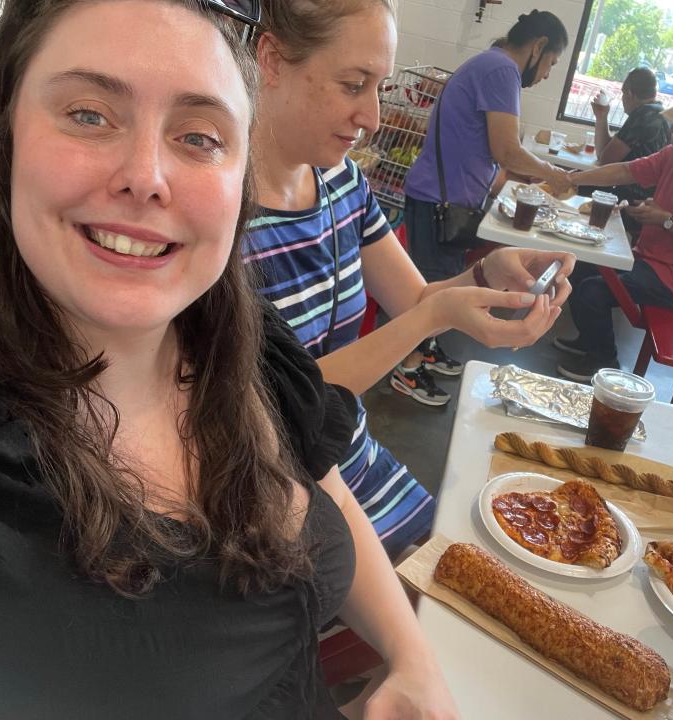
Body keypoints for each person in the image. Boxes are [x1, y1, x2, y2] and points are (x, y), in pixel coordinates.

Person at [0, 2, 457, 718]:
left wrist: (413, 659)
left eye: (199, 136)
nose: (147, 177)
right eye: (88, 115)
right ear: (4, 133)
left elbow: (328, 488)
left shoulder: (241, 336)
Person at [243, 0, 574, 566]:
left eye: (379, 86)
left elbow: (415, 299)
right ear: (272, 60)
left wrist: (485, 274)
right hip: (271, 495)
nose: (372, 116)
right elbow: (281, 409)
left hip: (352, 458)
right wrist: (433, 318)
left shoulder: (341, 181)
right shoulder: (221, 219)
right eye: (353, 84)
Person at [402, 9, 571, 395]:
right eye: (551, 64)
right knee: (433, 288)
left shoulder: (491, 64)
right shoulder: (502, 71)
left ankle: (426, 349)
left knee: (442, 285)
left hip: (443, 199)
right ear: (539, 46)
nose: (546, 74)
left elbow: (488, 151)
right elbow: (507, 150)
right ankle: (408, 367)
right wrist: (553, 174)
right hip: (437, 201)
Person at [553, 86, 673, 381]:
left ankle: (605, 364)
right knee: (576, 267)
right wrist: (570, 178)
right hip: (645, 259)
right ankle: (590, 341)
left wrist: (666, 220)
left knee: (594, 291)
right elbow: (626, 171)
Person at [582, 67, 672, 240]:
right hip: (645, 200)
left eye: (623, 94)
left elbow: (606, 160)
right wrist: (602, 117)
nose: (622, 100)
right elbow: (605, 153)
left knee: (572, 187)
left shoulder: (645, 115)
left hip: (630, 200)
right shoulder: (660, 113)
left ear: (630, 93)